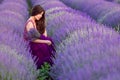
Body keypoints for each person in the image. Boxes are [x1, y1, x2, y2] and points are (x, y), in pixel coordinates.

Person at [23, 5, 56, 69]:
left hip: (35, 40)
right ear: (35, 12)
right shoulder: (30, 23)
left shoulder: (35, 21)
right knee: (44, 46)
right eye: (40, 14)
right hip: (30, 43)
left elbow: (43, 31)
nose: (40, 16)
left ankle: (48, 64)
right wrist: (45, 41)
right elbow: (32, 39)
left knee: (49, 40)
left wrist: (45, 37)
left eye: (42, 15)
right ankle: (42, 66)